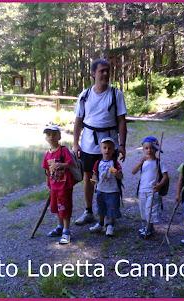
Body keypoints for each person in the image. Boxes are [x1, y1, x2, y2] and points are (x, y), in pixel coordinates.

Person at [73, 58, 127, 226]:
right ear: (93, 73)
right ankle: (89, 211)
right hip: (89, 142)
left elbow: (121, 121)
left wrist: (122, 145)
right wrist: (75, 143)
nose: (105, 73)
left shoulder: (115, 94)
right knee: (88, 176)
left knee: (111, 175)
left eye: (107, 70)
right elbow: (78, 120)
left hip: (110, 144)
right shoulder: (85, 95)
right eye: (101, 70)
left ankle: (110, 214)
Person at [41, 125, 74, 244]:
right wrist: (48, 184)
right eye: (48, 134)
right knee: (56, 207)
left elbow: (70, 163)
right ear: (46, 138)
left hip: (64, 186)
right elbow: (46, 170)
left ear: (59, 136)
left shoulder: (63, 150)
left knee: (64, 207)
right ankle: (60, 227)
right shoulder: (47, 154)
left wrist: (61, 165)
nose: (51, 137)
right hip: (54, 186)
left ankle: (66, 231)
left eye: (54, 134)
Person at [131, 136, 169, 238]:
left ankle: (149, 228)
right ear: (143, 149)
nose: (149, 150)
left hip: (153, 191)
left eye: (151, 148)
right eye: (146, 148)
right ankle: (147, 227)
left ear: (156, 149)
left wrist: (160, 185)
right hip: (142, 190)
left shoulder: (159, 162)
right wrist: (140, 162)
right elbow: (133, 172)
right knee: (143, 210)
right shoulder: (143, 162)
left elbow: (165, 176)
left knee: (150, 210)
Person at [89, 137, 123, 236]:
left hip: (112, 190)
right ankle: (100, 223)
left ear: (113, 150)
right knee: (101, 207)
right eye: (104, 148)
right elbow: (95, 174)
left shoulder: (115, 163)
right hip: (101, 189)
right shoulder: (98, 163)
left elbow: (121, 176)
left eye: (109, 148)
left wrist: (117, 173)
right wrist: (93, 181)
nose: (107, 150)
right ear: (101, 149)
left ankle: (110, 225)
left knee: (112, 208)